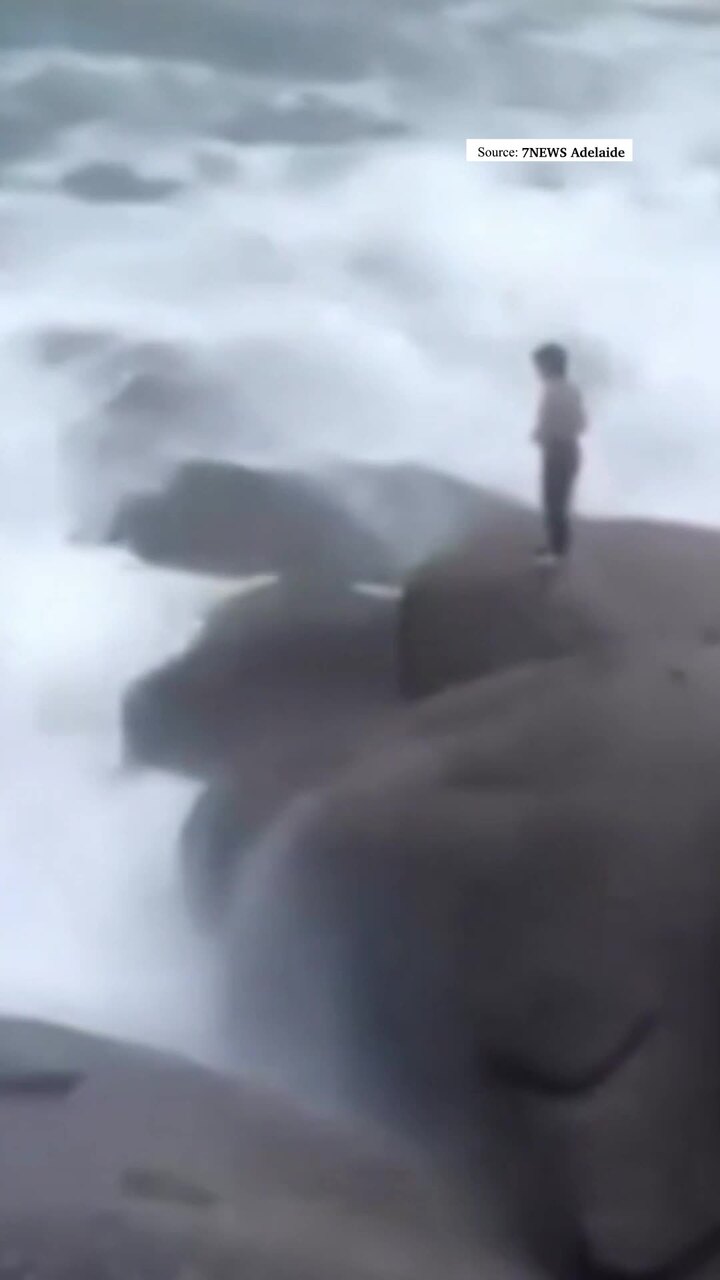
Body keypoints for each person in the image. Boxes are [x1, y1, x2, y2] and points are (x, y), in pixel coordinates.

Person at [530, 342, 587, 565]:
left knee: (554, 502)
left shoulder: (552, 391)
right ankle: (556, 547)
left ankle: (556, 552)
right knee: (559, 501)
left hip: (557, 451)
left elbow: (547, 425)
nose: (537, 371)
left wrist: (543, 435)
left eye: (540, 365)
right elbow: (582, 424)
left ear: (550, 365)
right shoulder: (572, 389)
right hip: (570, 450)